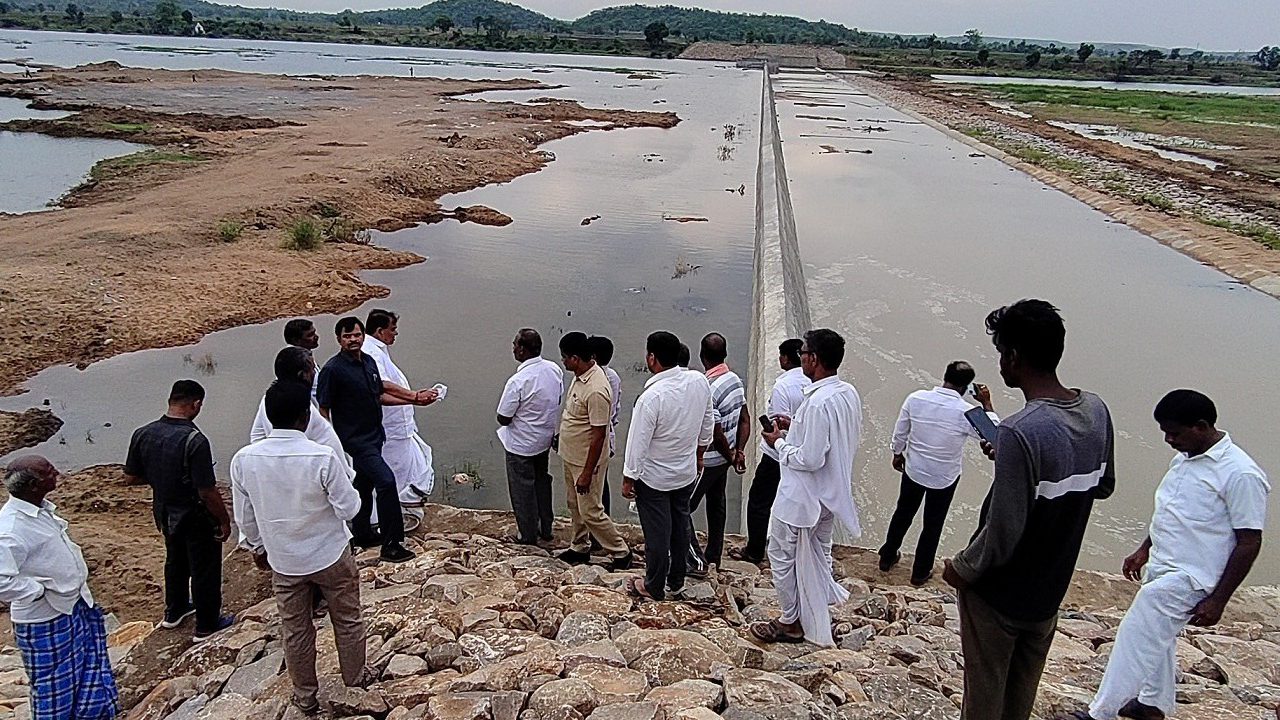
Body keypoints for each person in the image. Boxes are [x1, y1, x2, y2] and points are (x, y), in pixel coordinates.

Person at [941, 299, 1115, 720]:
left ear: (1014, 357)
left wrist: (962, 568)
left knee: (984, 698)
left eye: (1001, 352)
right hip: (1048, 590)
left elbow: (1003, 530)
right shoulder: (1096, 411)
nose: (1001, 361)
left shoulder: (1019, 431)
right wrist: (1020, 467)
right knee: (1021, 697)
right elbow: (1103, 485)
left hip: (998, 594)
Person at [1062, 391, 1267, 720]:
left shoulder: (1241, 474)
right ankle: (1152, 704)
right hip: (1165, 562)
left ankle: (1101, 713)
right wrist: (1144, 549)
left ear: (1201, 426)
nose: (1168, 440)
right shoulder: (1185, 457)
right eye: (1165, 432)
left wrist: (1218, 600)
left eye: (1175, 432)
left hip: (1196, 575)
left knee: (1138, 629)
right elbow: (1173, 510)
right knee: (1158, 633)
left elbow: (1249, 542)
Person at [231, 382, 373, 714]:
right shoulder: (321, 456)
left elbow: (245, 518)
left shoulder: (244, 460)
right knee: (347, 619)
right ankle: (355, 679)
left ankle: (305, 696)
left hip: (284, 561)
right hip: (330, 555)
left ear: (268, 416)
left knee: (295, 630)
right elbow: (349, 509)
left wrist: (257, 547)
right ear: (305, 418)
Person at [751, 329, 862, 648]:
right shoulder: (846, 393)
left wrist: (779, 442)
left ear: (813, 359)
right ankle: (815, 611)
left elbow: (810, 458)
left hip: (801, 498)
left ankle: (791, 621)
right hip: (828, 496)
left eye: (803, 353)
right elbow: (828, 439)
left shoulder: (817, 404)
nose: (801, 359)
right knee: (817, 553)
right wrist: (794, 426)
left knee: (782, 555)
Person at [0, 456, 118, 720]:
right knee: (53, 690)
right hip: (45, 619)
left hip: (70, 607)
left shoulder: (38, 511)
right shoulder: (11, 528)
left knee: (85, 673)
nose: (57, 473)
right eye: (49, 472)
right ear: (33, 485)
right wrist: (38, 591)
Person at [124, 380, 234, 642]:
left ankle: (175, 610)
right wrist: (224, 520)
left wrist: (161, 478)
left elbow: (130, 477)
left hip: (164, 511)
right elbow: (207, 491)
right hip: (195, 515)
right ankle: (206, 625)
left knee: (175, 560)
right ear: (196, 404)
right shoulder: (195, 441)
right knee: (204, 569)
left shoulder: (143, 433)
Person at [879, 361, 998, 586]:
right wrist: (987, 404)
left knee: (903, 512)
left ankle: (887, 557)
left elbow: (901, 431)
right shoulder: (967, 412)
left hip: (914, 470)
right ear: (967, 386)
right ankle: (920, 572)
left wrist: (897, 453)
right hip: (944, 478)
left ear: (945, 376)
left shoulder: (916, 399)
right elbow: (994, 434)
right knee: (933, 524)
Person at [620, 331, 715, 600]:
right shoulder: (698, 381)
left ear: (652, 358)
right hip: (684, 473)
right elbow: (707, 422)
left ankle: (653, 585)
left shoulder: (652, 397)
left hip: (655, 479)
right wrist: (699, 453)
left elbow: (637, 444)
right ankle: (676, 579)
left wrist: (628, 478)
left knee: (657, 534)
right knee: (680, 526)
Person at [317, 317, 416, 564]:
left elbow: (379, 395)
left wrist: (413, 399)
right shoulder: (332, 370)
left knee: (363, 483)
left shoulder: (369, 362)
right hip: (355, 439)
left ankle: (361, 533)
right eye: (347, 336)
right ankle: (392, 544)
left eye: (357, 335)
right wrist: (327, 443)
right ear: (339, 339)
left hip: (375, 435)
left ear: (363, 336)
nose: (353, 340)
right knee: (386, 481)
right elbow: (323, 409)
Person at [556, 332, 631, 570]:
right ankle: (579, 546)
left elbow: (599, 435)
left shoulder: (597, 389)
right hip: (571, 454)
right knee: (574, 504)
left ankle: (620, 551)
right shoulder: (580, 377)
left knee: (590, 510)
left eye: (564, 357)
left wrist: (588, 472)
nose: (563, 361)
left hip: (586, 461)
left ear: (576, 359)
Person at [730, 339, 809, 564]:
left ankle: (755, 550)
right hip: (803, 456)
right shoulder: (811, 383)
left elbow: (777, 425)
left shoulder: (783, 386)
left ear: (785, 359)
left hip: (777, 456)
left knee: (759, 501)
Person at [362, 309, 439, 528]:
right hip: (390, 429)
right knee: (394, 473)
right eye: (392, 329)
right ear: (380, 331)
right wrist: (414, 397)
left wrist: (414, 398)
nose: (395, 334)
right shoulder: (371, 352)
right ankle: (385, 520)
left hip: (398, 427)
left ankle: (397, 513)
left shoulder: (378, 350)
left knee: (411, 465)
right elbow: (381, 386)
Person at [687, 333, 749, 576]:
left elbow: (715, 431)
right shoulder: (735, 380)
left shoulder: (708, 388)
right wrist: (738, 451)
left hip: (710, 460)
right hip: (724, 459)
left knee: (682, 507)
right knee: (716, 503)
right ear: (724, 354)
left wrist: (731, 455)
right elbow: (744, 419)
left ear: (702, 356)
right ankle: (714, 554)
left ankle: (695, 560)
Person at [497, 329, 564, 545]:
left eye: (515, 344)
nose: (513, 348)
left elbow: (503, 417)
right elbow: (558, 399)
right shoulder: (554, 370)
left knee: (522, 490)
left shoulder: (518, 381)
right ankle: (546, 527)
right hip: (543, 440)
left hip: (521, 445)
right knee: (541, 483)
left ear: (522, 350)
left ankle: (527, 534)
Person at [250, 347, 350, 470]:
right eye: (312, 369)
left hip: (304, 470)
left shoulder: (269, 398)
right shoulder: (301, 406)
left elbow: (257, 436)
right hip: (312, 472)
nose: (315, 373)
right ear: (302, 375)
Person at [589, 335, 622, 516]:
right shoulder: (613, 377)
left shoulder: (595, 379)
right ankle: (604, 517)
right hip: (608, 435)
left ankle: (596, 522)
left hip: (595, 437)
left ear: (593, 356)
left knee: (593, 484)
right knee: (602, 481)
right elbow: (615, 411)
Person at [284, 318, 321, 398]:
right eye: (310, 335)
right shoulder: (292, 362)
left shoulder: (304, 354)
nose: (316, 337)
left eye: (314, 332)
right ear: (296, 341)